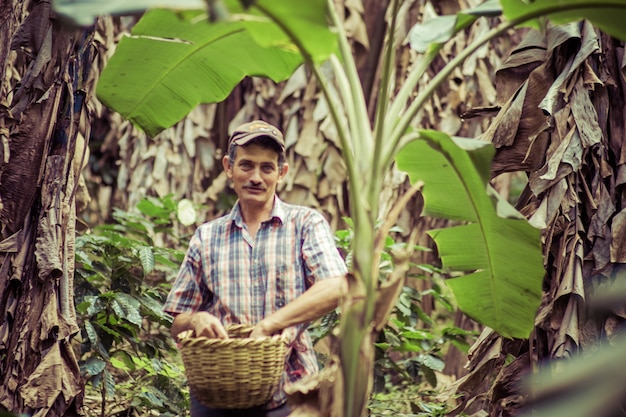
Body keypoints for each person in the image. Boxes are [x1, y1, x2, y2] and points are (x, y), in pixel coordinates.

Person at [163, 120, 348, 417]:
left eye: (267, 168)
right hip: (218, 391)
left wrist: (269, 325)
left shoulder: (305, 224)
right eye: (246, 165)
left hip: (291, 391)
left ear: (281, 173)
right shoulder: (207, 237)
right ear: (228, 167)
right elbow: (176, 323)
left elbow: (337, 285)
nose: (256, 178)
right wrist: (196, 320)